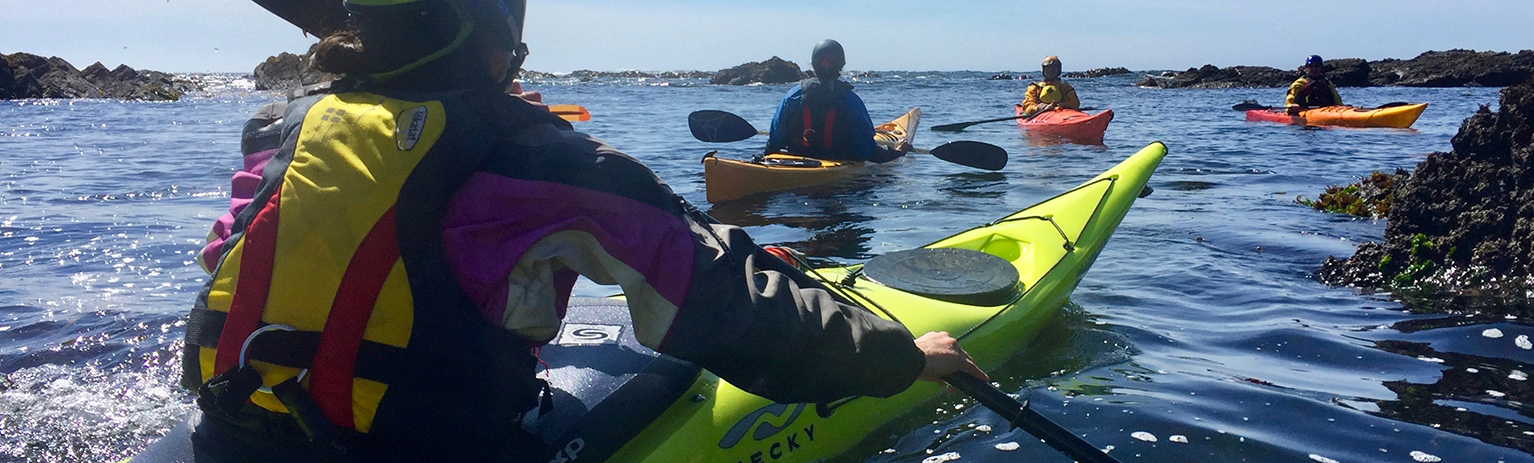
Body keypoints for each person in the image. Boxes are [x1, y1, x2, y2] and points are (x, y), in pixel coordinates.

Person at [170, 1, 985, 462]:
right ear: (495, 47)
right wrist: (902, 356)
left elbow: (229, 260)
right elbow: (726, 301)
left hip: (229, 431)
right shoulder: (537, 156)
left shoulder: (283, 131)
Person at [766, 39, 909, 163]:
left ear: (814, 64)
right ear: (840, 65)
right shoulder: (849, 100)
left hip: (797, 159)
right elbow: (867, 150)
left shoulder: (793, 95)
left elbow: (775, 140)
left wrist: (766, 158)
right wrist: (897, 152)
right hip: (838, 162)